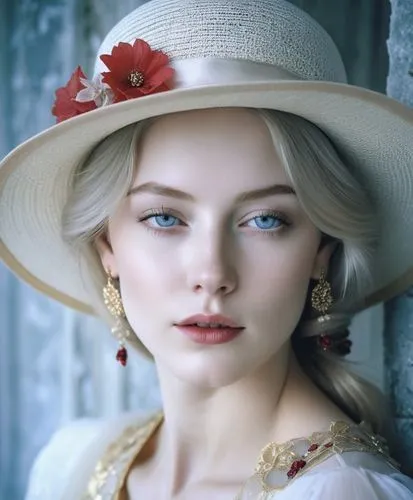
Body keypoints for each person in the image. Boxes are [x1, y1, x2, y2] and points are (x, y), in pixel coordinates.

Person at [1, 0, 413, 498]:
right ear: (106, 244)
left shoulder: (342, 492)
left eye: (265, 220)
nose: (212, 273)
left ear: (321, 249)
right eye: (165, 218)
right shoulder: (74, 463)